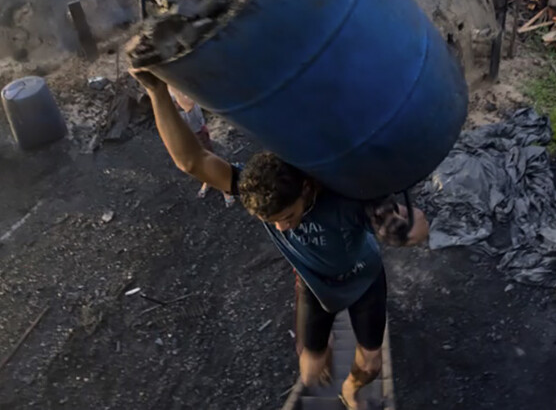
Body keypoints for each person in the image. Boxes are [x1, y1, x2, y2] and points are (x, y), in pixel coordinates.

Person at [130, 66, 428, 409]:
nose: (284, 228)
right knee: (311, 368)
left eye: (287, 217)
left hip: (364, 279)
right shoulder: (258, 189)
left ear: (306, 188)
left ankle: (350, 389)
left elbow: (411, 226)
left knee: (372, 364)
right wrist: (155, 91)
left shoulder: (347, 197)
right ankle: (323, 343)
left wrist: (409, 231)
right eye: (272, 222)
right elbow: (191, 161)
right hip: (315, 287)